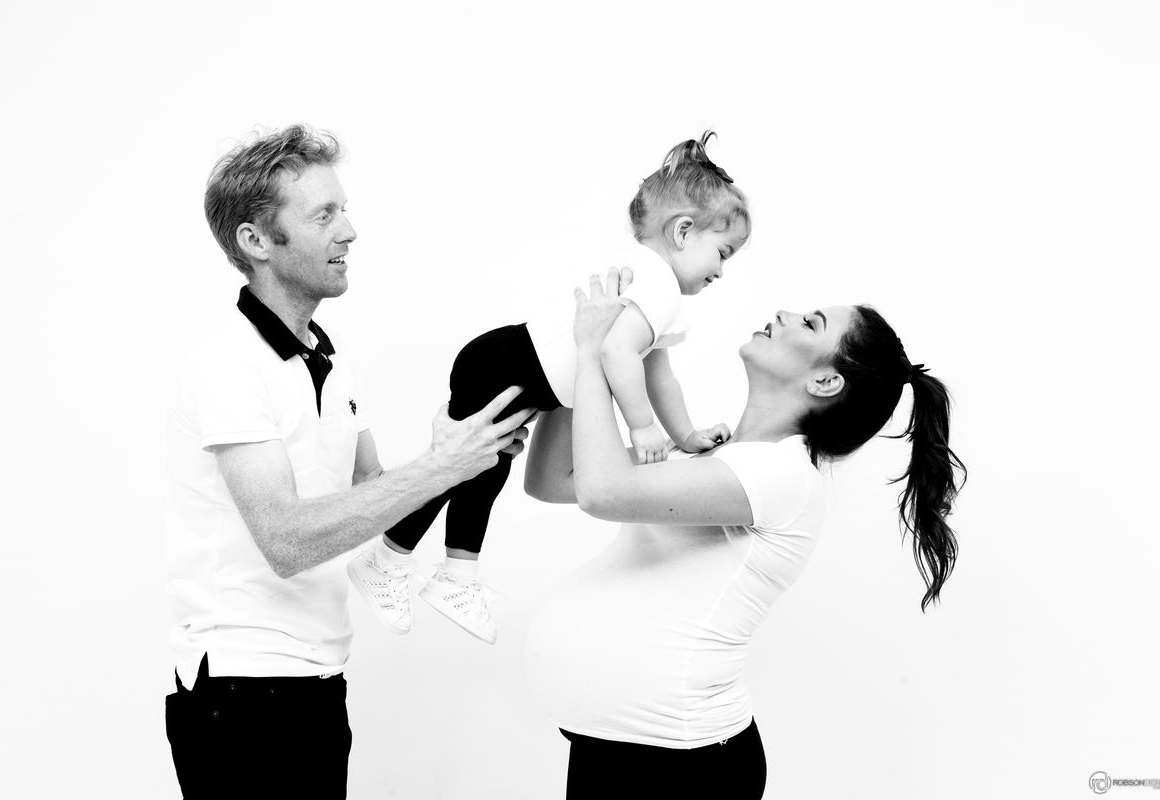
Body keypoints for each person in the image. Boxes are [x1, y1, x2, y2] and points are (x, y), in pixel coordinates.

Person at [164, 124, 535, 799]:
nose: (350, 231)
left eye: (344, 210)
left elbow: (374, 495)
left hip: (316, 684)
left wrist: (461, 454)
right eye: (323, 215)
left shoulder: (329, 360)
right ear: (256, 241)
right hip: (240, 695)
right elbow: (287, 539)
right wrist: (441, 468)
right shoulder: (227, 365)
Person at [521, 269, 967, 800]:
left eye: (811, 323)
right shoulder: (714, 455)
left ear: (825, 382)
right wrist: (583, 359)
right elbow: (554, 480)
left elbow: (601, 493)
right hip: (621, 749)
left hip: (680, 766)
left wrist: (593, 350)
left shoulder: (782, 474)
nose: (784, 314)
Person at [348, 132, 751, 644]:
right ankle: (397, 562)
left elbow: (658, 372)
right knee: (464, 470)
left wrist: (686, 435)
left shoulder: (651, 282)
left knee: (477, 473)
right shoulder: (659, 285)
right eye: (723, 252)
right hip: (504, 367)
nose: (721, 270)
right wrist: (643, 426)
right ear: (684, 231)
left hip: (506, 366)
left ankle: (445, 573)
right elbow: (617, 353)